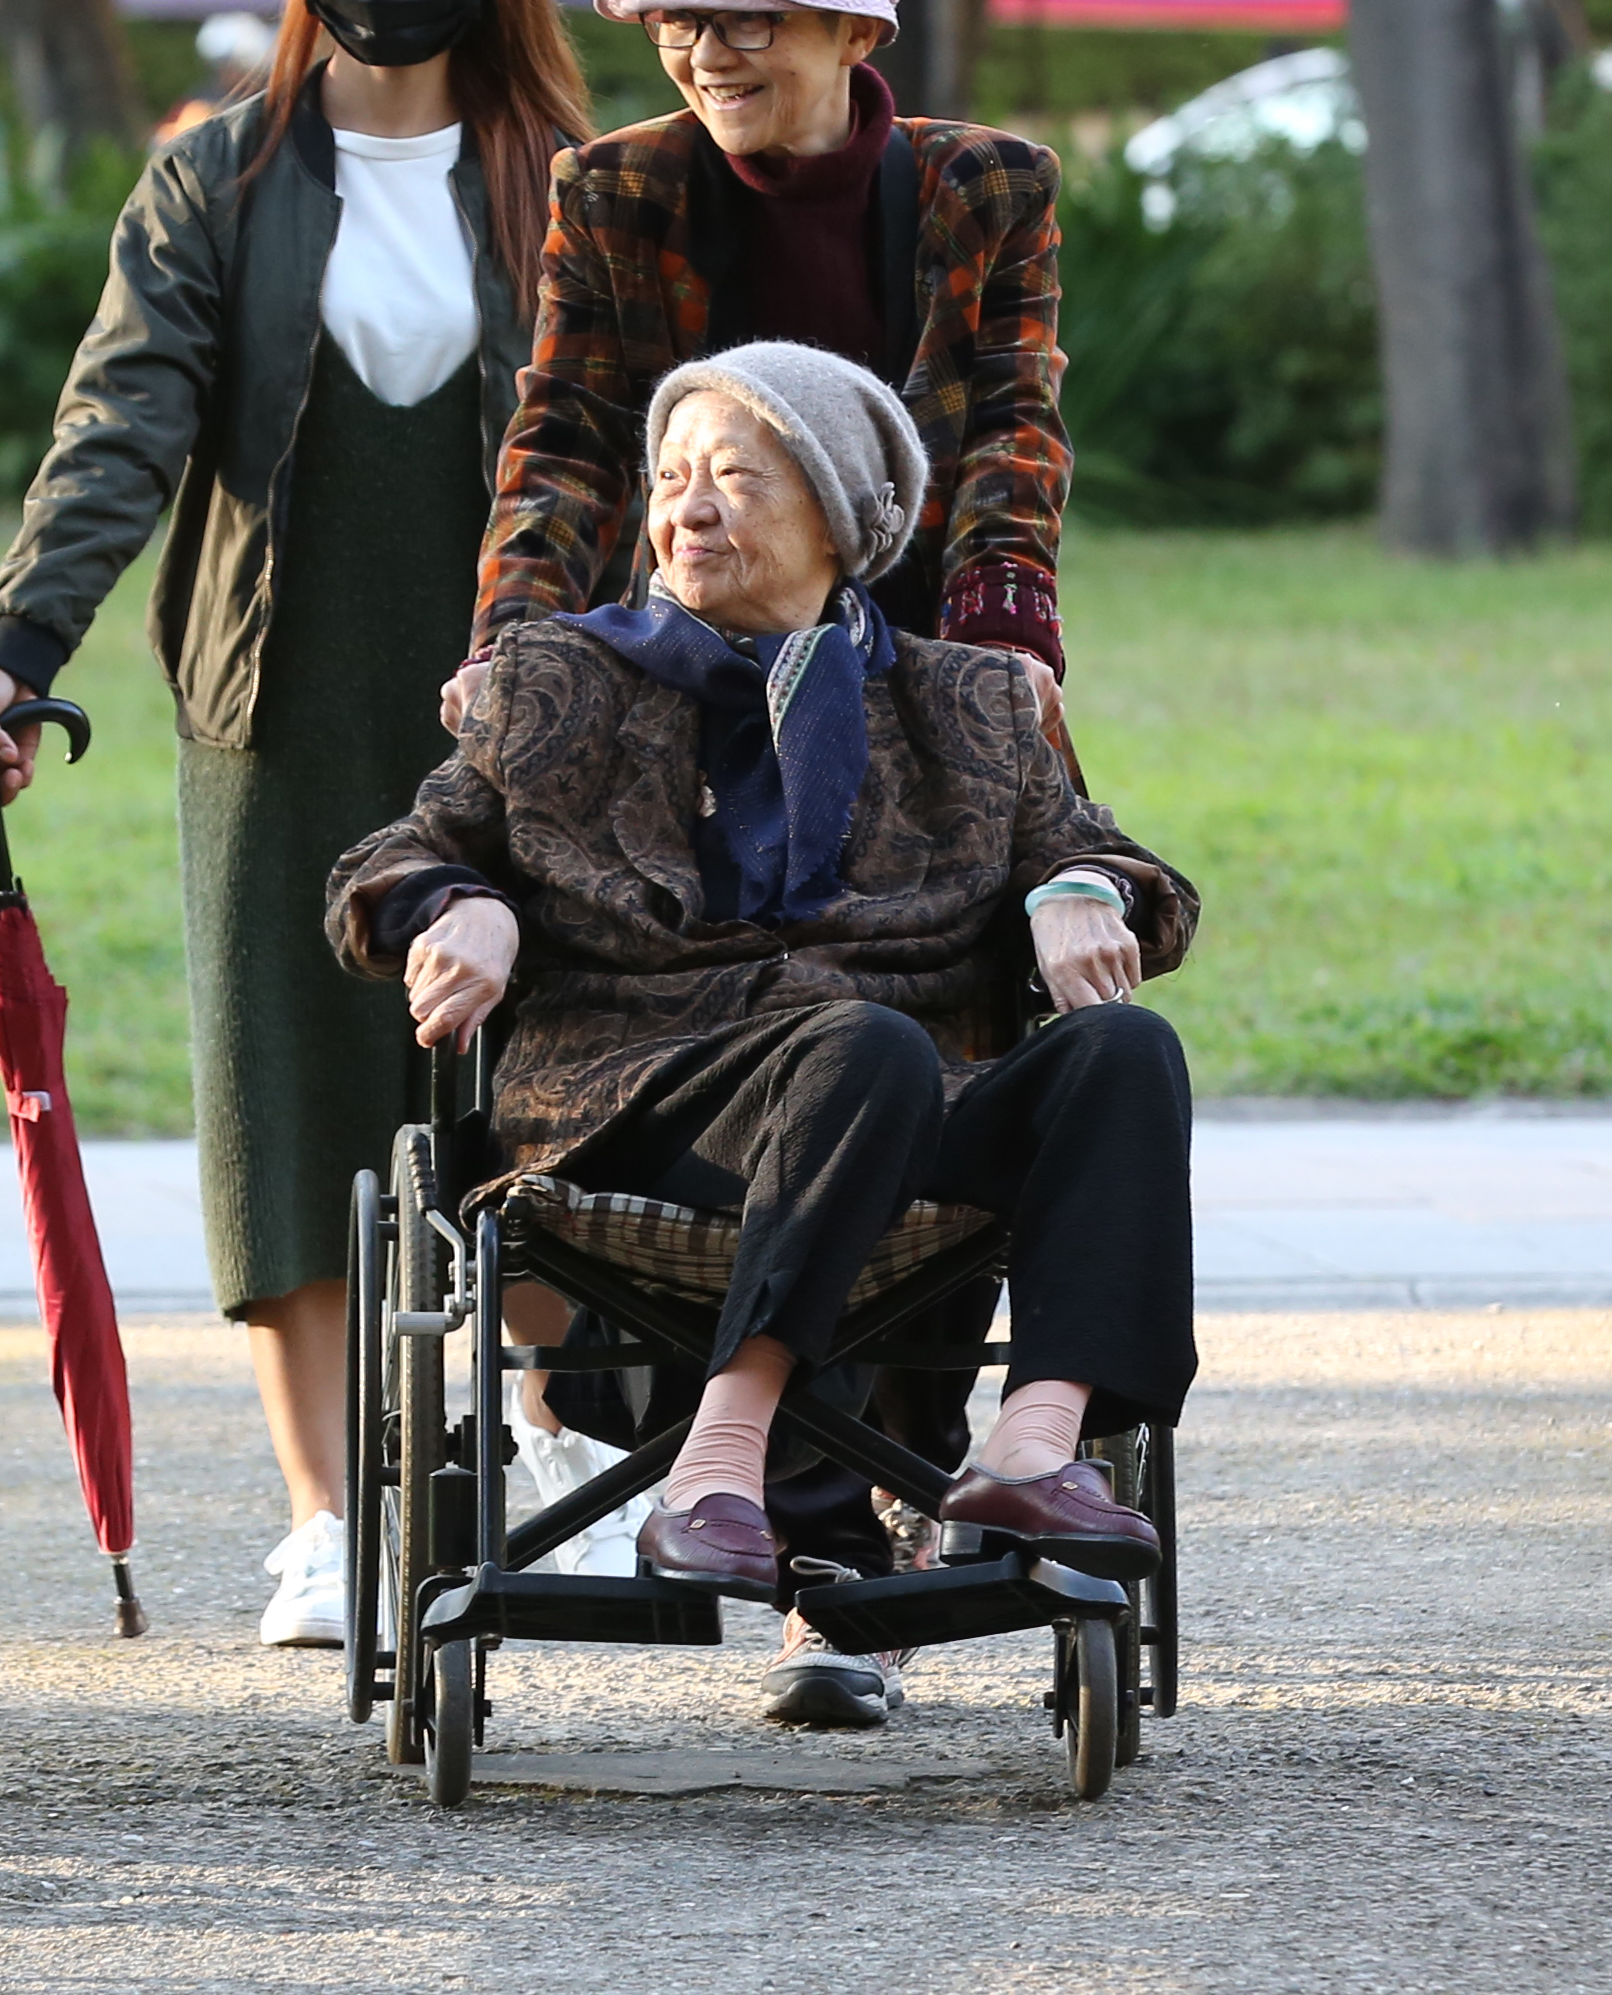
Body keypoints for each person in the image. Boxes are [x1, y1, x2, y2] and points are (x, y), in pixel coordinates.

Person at [0, 0, 590, 1654]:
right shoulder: (216, 177)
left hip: (532, 708)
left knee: (550, 1065)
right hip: (272, 695)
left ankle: (542, 1442)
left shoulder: (572, 174)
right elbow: (116, 428)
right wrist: (17, 650)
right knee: (285, 1090)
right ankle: (321, 1520)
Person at [330, 341, 1198, 1732]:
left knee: (1121, 1058)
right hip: (649, 1106)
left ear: (843, 517)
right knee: (862, 1043)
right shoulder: (557, 682)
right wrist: (461, 900)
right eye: (672, 479)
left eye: (736, 476)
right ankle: (718, 1460)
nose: (689, 508)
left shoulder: (967, 704)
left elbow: (1133, 873)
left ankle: (1037, 1446)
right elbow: (384, 864)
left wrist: (1079, 888)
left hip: (897, 1114)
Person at [452, 0, 1073, 728]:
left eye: (748, 22)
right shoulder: (614, 189)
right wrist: (512, 647)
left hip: (925, 638)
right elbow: (567, 439)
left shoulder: (987, 185)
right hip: (689, 643)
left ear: (855, 33)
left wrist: (1005, 639)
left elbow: (1013, 431)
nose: (706, 55)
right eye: (681, 21)